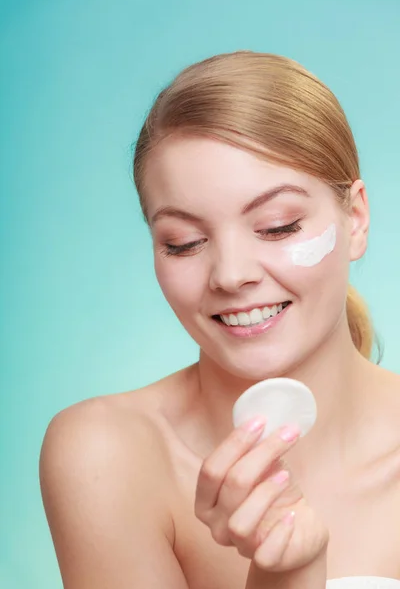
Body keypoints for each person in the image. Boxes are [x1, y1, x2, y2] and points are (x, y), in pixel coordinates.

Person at [39, 51, 400, 589]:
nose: (230, 275)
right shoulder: (106, 454)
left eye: (277, 227)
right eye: (183, 243)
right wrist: (286, 575)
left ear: (355, 218)